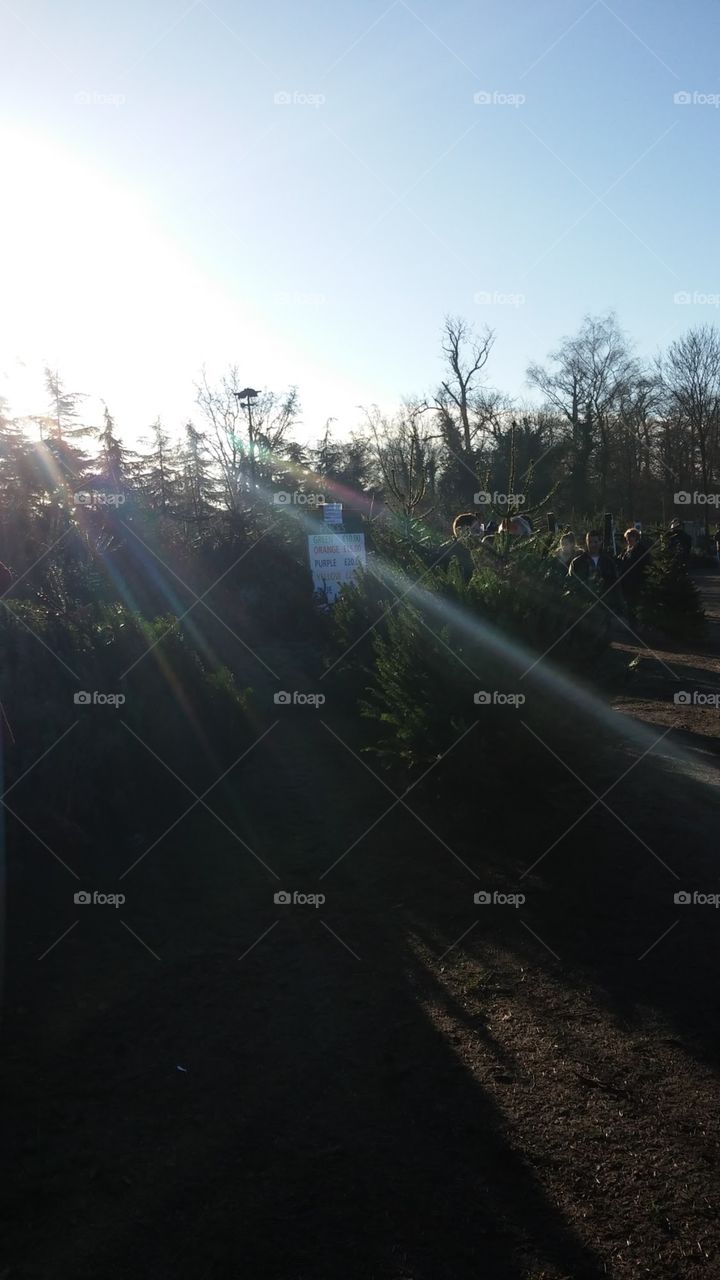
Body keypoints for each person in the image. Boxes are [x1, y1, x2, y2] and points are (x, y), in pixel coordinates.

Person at [568, 529, 620, 598]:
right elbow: (571, 583)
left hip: (605, 602)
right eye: (590, 542)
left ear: (600, 542)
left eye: (595, 542)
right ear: (586, 543)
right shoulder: (577, 562)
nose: (593, 545)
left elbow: (615, 585)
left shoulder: (609, 562)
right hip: (584, 603)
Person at [616, 527, 651, 621]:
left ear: (635, 537)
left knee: (635, 604)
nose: (628, 540)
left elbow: (646, 565)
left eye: (630, 538)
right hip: (626, 582)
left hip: (636, 582)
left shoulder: (642, 550)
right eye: (627, 539)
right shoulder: (625, 550)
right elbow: (619, 561)